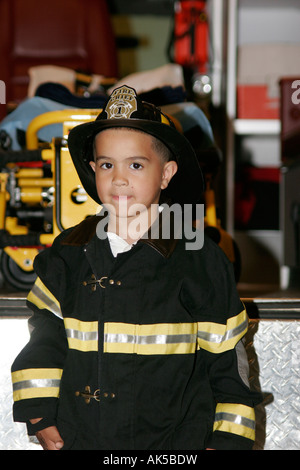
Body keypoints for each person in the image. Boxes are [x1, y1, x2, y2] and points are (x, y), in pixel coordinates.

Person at [11, 85, 261, 450]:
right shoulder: (66, 254)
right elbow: (44, 339)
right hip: (81, 438)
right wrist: (38, 414)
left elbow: (228, 363)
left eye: (136, 164)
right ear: (93, 169)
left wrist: (226, 441)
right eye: (107, 164)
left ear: (166, 173)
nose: (119, 178)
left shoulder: (201, 262)